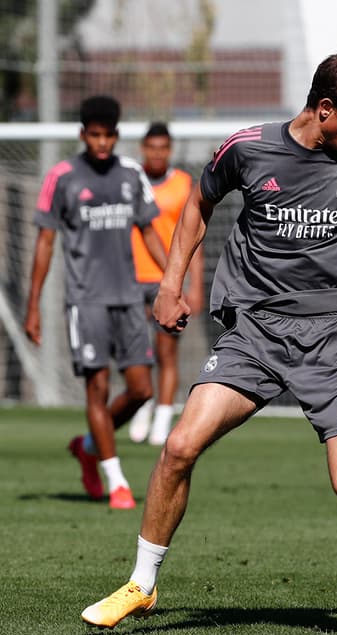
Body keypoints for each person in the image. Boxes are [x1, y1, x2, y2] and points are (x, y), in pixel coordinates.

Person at [80, 46, 337, 628]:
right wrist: (171, 284)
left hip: (333, 338)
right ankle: (141, 583)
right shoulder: (247, 148)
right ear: (324, 109)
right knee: (178, 447)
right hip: (253, 331)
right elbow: (198, 208)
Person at [25, 95, 167, 510]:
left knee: (142, 389)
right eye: (95, 135)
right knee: (98, 389)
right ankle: (116, 479)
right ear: (83, 134)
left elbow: (150, 233)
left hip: (128, 296)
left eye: (109, 136)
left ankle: (88, 445)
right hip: (85, 302)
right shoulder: (63, 177)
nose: (102, 143)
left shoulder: (130, 174)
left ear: (117, 136)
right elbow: (45, 241)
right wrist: (33, 304)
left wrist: (173, 281)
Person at [127, 122, 204, 446]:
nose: (157, 153)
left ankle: (162, 412)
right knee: (134, 353)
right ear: (143, 148)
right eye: (151, 147)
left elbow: (193, 236)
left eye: (163, 147)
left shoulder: (183, 184)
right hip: (130, 278)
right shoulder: (130, 182)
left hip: (165, 281)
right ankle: (142, 403)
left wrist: (195, 284)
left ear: (169, 150)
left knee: (166, 352)